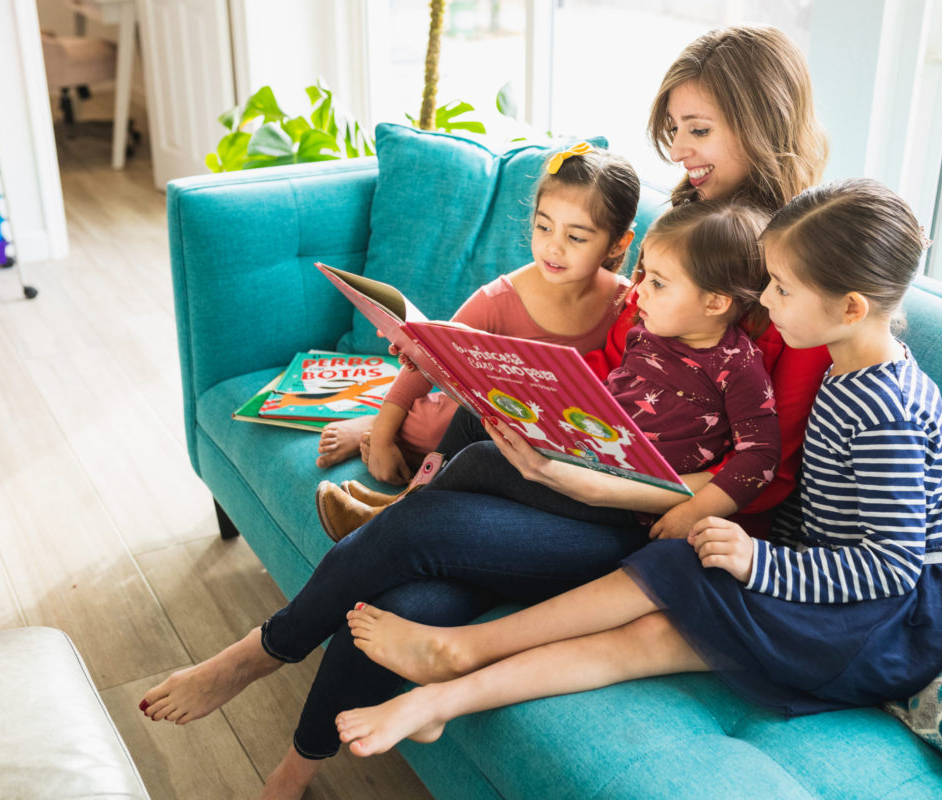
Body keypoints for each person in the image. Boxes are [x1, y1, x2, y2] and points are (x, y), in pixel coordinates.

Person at [139, 25, 833, 800]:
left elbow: (768, 474)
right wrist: (532, 399)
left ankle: (261, 651)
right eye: (673, 132)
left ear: (763, 121)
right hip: (587, 471)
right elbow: (617, 367)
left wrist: (609, 486)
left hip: (659, 525)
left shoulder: (799, 275)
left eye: (698, 131)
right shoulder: (677, 232)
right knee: (409, 597)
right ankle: (295, 769)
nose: (680, 152)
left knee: (426, 529)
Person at [331, 178, 942, 757]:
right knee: (658, 608)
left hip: (884, 623)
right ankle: (445, 684)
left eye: (783, 290)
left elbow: (890, 567)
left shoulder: (886, 409)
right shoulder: (853, 370)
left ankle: (456, 664)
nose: (766, 301)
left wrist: (760, 564)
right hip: (838, 579)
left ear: (850, 308)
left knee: (662, 603)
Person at [317, 201, 781, 541]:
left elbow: (761, 455)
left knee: (484, 458)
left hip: (623, 498)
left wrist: (698, 509)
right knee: (475, 419)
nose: (637, 294)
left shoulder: (737, 366)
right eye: (642, 277)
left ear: (717, 303)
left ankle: (389, 521)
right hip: (588, 451)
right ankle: (402, 505)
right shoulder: (648, 331)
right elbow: (612, 397)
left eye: (656, 283)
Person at [315, 142, 638, 482]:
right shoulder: (500, 298)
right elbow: (425, 364)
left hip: (547, 435)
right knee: (434, 429)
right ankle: (381, 425)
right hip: (471, 418)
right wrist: (381, 440)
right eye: (544, 227)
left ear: (617, 244)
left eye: (575, 237)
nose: (553, 247)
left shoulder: (626, 303)